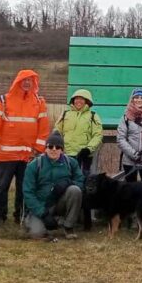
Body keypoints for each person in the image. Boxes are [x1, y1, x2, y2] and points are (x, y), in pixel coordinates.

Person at [0, 69, 49, 224]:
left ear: (34, 83)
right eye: (24, 80)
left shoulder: (39, 102)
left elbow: (44, 128)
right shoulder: (4, 100)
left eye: (30, 81)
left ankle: (20, 216)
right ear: (17, 82)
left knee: (24, 188)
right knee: (1, 186)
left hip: (28, 155)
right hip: (5, 154)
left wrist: (38, 149)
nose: (27, 83)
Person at [54, 89, 103, 230]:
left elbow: (97, 135)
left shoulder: (93, 116)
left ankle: (86, 220)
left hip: (84, 157)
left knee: (84, 187)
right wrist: (58, 148)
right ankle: (64, 215)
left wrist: (88, 149)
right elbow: (57, 132)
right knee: (63, 184)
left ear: (87, 101)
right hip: (66, 156)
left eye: (82, 99)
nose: (78, 102)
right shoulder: (65, 114)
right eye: (76, 99)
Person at [22, 132, 84, 240]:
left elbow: (81, 182)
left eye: (58, 147)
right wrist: (43, 213)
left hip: (61, 202)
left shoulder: (71, 163)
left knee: (75, 190)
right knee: (37, 234)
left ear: (62, 149)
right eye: (50, 146)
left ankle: (68, 226)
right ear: (45, 148)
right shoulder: (34, 165)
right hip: (42, 205)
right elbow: (28, 193)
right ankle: (47, 221)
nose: (54, 149)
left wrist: (69, 182)